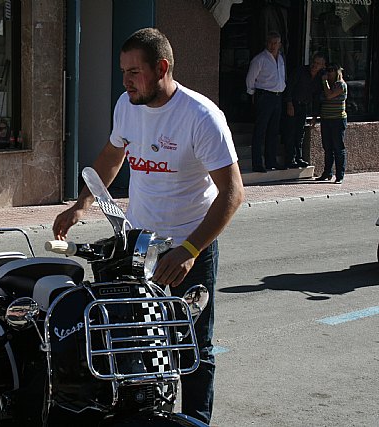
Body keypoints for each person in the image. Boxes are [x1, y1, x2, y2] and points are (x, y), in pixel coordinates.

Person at [52, 28, 244, 424]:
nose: (125, 81)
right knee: (136, 339)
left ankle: (194, 421)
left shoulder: (200, 117)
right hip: (138, 247)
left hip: (190, 248)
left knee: (193, 347)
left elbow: (232, 194)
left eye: (134, 72)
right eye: (123, 71)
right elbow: (111, 155)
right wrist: (81, 204)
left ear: (162, 68)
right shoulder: (127, 105)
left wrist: (190, 251)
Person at [246, 30, 286, 173]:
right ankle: (257, 163)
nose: (272, 46)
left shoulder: (281, 58)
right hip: (265, 96)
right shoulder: (260, 59)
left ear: (280, 44)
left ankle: (271, 161)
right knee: (260, 130)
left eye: (275, 43)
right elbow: (251, 78)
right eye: (270, 42)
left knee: (273, 130)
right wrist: (252, 93)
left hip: (277, 96)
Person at [282, 52, 326, 168]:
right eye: (314, 62)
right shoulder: (301, 71)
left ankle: (299, 157)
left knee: (299, 132)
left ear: (322, 65)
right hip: (294, 104)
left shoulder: (319, 77)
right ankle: (290, 158)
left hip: (304, 106)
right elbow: (289, 87)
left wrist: (315, 115)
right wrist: (289, 103)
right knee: (290, 132)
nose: (315, 65)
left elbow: (316, 97)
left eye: (318, 64)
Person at [315, 63, 348, 184]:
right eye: (327, 70)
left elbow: (329, 96)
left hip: (337, 120)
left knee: (338, 147)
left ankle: (340, 175)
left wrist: (324, 82)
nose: (329, 73)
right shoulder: (325, 85)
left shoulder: (340, 84)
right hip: (326, 119)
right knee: (327, 147)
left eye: (331, 70)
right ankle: (327, 172)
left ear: (337, 72)